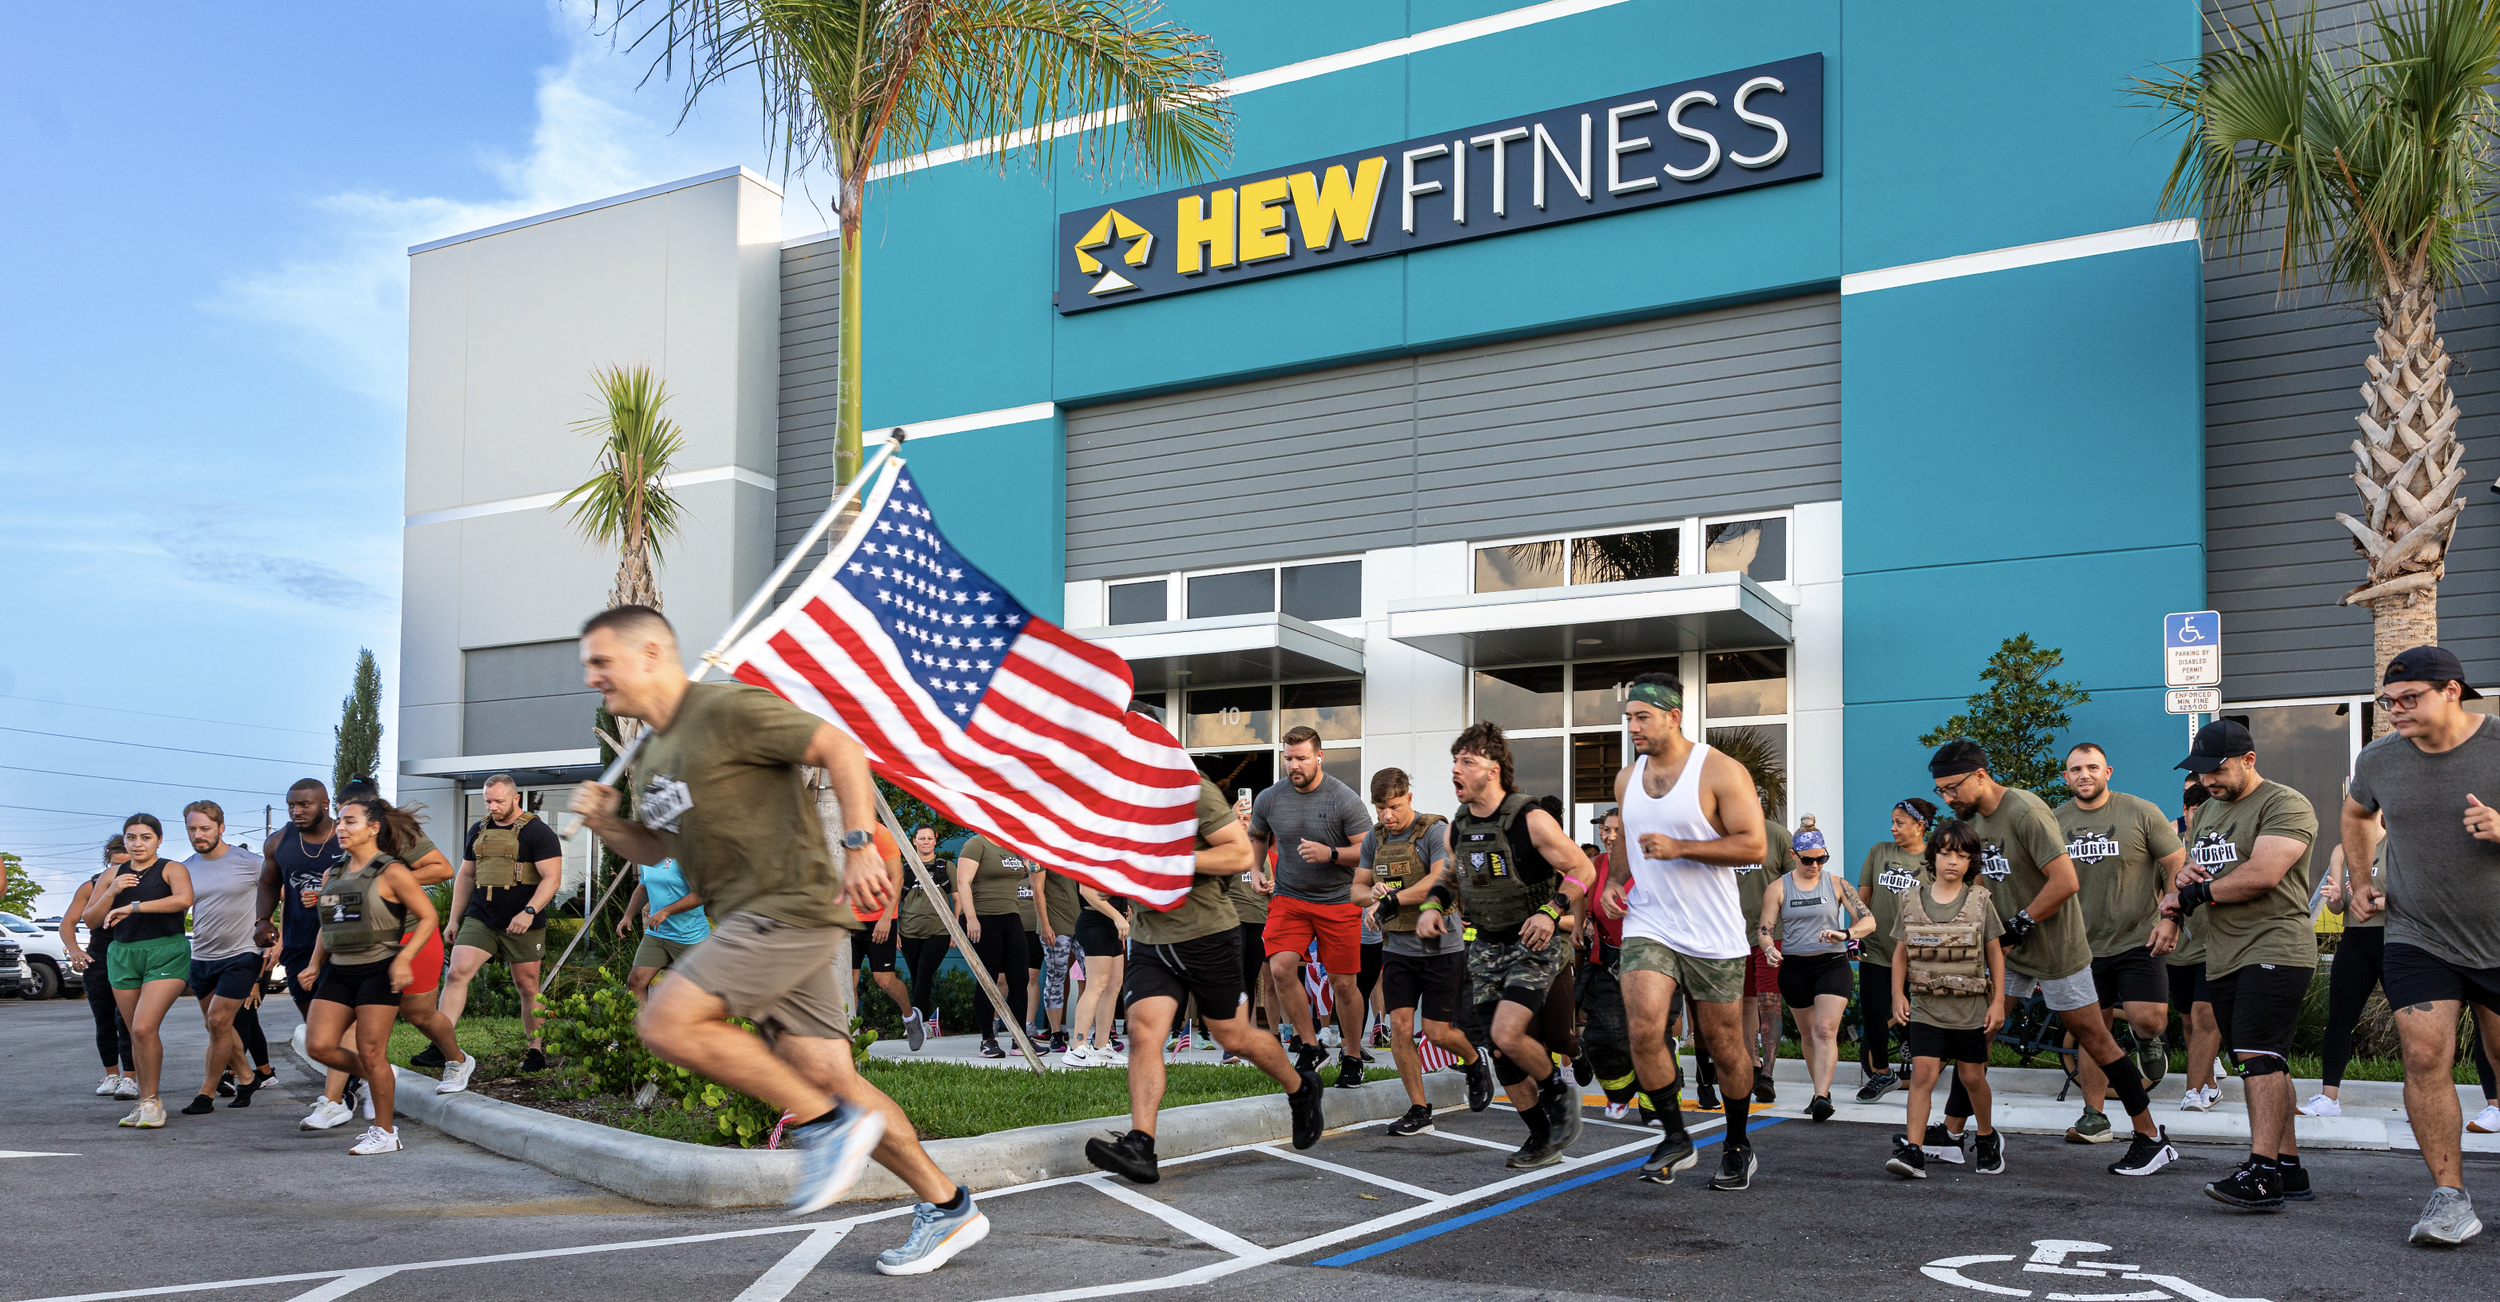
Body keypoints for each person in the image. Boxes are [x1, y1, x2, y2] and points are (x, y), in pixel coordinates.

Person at [574, 606, 983, 1270]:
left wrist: (857, 845)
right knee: (832, 1077)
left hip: (787, 909)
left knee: (667, 1023)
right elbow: (661, 845)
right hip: (747, 922)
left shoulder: (728, 710)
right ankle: (947, 1206)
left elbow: (839, 747)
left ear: (650, 653)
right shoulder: (648, 756)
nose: (592, 676)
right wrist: (608, 824)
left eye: (601, 661)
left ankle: (823, 1130)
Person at [1928, 739, 2174, 1177]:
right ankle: (1950, 1134)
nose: (1948, 798)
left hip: (2058, 950)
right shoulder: (1978, 821)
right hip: (2009, 952)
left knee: (2095, 1040)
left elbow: (2064, 882)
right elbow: (1985, 881)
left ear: (1980, 775)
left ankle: (2151, 1137)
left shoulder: (2025, 811)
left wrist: (2014, 927)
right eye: (1941, 791)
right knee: (1976, 1036)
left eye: (1952, 788)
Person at [1085, 777, 1325, 1183]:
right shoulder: (1113, 798)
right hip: (1151, 939)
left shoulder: (1190, 790)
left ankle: (1301, 1088)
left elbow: (1237, 853)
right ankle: (1141, 1145)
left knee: (1234, 1037)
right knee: (1144, 1031)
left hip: (1208, 936)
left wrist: (1174, 862)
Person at [2341, 646, 2500, 1245]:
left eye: (2410, 699)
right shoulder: (2380, 759)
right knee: (2425, 1058)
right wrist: (2361, 882)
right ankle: (2450, 1199)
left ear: (2453, 690)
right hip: (2418, 933)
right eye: (2389, 702)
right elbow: (2356, 816)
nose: (2396, 711)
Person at [1607, 674, 1765, 1189]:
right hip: (1649, 922)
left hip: (1712, 931)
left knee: (1722, 1045)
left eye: (1642, 717)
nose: (1632, 726)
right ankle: (1676, 1137)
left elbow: (1753, 846)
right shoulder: (1627, 779)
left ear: (1674, 716)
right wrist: (1613, 881)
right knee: (1645, 1028)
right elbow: (1625, 843)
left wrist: (1681, 847)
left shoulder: (1720, 770)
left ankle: (1738, 1143)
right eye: (1628, 717)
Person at [2154, 718, 2317, 1211]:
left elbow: (2264, 873)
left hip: (2274, 945)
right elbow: (2193, 873)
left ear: (2249, 760)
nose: (2208, 781)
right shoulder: (2205, 814)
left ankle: (2262, 1173)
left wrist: (2195, 895)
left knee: (2257, 1056)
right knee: (2269, 1062)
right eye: (2201, 773)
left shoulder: (2284, 804)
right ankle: (2289, 1168)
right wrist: (2184, 880)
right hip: (2222, 953)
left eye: (2217, 770)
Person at [1447, 721, 1597, 1170]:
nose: (1456, 770)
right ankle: (1541, 1137)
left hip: (1535, 942)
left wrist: (1552, 910)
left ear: (1492, 770)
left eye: (1466, 762)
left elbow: (1582, 870)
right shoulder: (1461, 825)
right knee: (1501, 1051)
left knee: (1507, 1033)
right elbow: (1452, 877)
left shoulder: (1530, 818)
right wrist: (1436, 904)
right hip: (1487, 946)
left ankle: (1557, 1092)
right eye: (1454, 761)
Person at [2307, 833, 2500, 1125]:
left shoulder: (2402, 845)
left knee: (2419, 1028)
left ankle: (2443, 1101)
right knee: (2339, 1019)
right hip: (2355, 942)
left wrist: (2377, 903)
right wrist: (2335, 898)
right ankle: (2328, 1098)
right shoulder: (2341, 850)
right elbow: (2339, 906)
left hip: (2397, 941)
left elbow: (2417, 897)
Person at [296, 795, 445, 1155]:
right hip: (339, 970)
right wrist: (315, 963)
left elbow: (428, 918)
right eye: (340, 821)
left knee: (371, 1049)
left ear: (373, 828)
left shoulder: (392, 872)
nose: (341, 828)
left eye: (350, 821)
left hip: (379, 970)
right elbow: (327, 925)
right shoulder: (333, 872)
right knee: (319, 1045)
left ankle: (385, 1131)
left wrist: (404, 958)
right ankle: (377, 1075)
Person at [2055, 744, 2187, 1145]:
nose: (2084, 775)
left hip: (2138, 938)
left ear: (2108, 771)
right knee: (2094, 1031)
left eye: (2092, 767)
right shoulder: (2055, 820)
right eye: (2076, 769)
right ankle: (2094, 1116)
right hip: (2080, 947)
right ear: (2066, 777)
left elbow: (2177, 862)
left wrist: (2171, 916)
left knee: (2149, 1018)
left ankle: (2149, 1040)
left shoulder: (2140, 812)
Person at [1363, 767, 1493, 1135]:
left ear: (1408, 798)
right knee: (1400, 1027)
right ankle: (1419, 1110)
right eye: (1379, 808)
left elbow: (1440, 878)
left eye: (1393, 806)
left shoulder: (1434, 831)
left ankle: (1472, 1058)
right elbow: (1357, 888)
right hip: (1399, 947)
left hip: (1441, 945)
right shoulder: (1374, 839)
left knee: (1436, 1031)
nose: (1387, 816)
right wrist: (1371, 894)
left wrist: (1390, 901)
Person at [1248, 729, 1374, 1086]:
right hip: (1290, 896)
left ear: (1319, 757)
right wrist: (1256, 870)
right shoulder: (1271, 797)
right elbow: (1258, 835)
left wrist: (1330, 854)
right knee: (1281, 968)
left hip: (1338, 900)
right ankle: (1310, 1044)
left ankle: (1351, 1055)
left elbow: (1368, 852)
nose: (1294, 765)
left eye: (1301, 758)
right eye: (1288, 758)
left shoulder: (1343, 799)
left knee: (1342, 983)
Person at [1885, 821, 2008, 1179]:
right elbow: (1900, 954)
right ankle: (1914, 1150)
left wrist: (1998, 1001)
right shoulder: (1910, 899)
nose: (1953, 861)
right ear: (1933, 855)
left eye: (1963, 855)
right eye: (1946, 853)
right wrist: (1897, 994)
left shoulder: (1980, 901)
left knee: (1972, 1077)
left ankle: (1986, 1137)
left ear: (1972, 862)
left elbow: (1995, 954)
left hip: (1969, 1008)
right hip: (1925, 1005)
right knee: (1923, 1073)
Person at [337, 778, 472, 1096]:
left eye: (350, 815)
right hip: (369, 941)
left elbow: (443, 869)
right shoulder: (344, 839)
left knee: (419, 1014)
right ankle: (353, 1086)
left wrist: (390, 881)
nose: (342, 821)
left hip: (413, 935)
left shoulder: (398, 833)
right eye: (340, 814)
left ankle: (457, 1059)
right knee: (359, 1012)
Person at [440, 774, 565, 1072]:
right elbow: (467, 875)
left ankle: (535, 1050)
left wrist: (529, 911)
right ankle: (440, 1043)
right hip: (481, 916)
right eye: (488, 801)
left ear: (515, 798)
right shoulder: (479, 830)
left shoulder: (538, 832)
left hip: (523, 920)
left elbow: (553, 878)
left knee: (526, 985)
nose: (492, 807)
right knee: (456, 972)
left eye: (498, 801)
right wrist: (453, 919)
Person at [1759, 823, 1875, 1121]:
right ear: (1793, 855)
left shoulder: (1837, 883)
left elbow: (1868, 921)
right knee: (1808, 1034)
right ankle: (1818, 1091)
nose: (1815, 865)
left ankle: (1823, 1097)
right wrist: (1770, 949)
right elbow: (1764, 931)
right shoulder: (1778, 887)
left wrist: (1846, 933)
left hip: (1832, 965)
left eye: (1821, 859)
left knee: (1825, 1029)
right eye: (1808, 859)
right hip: (1795, 966)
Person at [85, 814, 193, 1129]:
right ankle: (146, 1102)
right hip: (122, 954)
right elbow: (91, 920)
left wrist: (133, 906)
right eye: (131, 837)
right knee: (135, 1032)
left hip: (166, 952)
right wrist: (111, 891)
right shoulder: (113, 875)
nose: (138, 843)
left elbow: (184, 900)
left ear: (158, 840)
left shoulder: (173, 869)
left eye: (145, 837)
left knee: (144, 1028)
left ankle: (153, 1102)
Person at [176, 801, 270, 1115]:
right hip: (202, 956)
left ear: (221, 827)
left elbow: (279, 893)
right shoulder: (185, 867)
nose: (198, 835)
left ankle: (206, 1094)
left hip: (242, 953)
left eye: (205, 828)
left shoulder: (250, 862)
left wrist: (273, 935)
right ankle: (246, 1076)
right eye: (192, 829)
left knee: (218, 1021)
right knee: (218, 1027)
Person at [1855, 798, 1932, 1102]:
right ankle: (1882, 1074)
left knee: (1923, 1015)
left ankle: (1926, 1071)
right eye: (1893, 822)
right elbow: (1862, 896)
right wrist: (1854, 934)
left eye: (1900, 823)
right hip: (1876, 949)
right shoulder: (1879, 851)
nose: (1893, 828)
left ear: (1919, 825)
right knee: (1873, 1013)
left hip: (1917, 954)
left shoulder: (1933, 860)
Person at [1578, 806, 1647, 1120]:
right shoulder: (1597, 864)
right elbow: (1581, 892)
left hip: (1648, 960)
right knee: (1600, 1035)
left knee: (1647, 1035)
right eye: (1604, 830)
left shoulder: (1649, 864)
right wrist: (1579, 925)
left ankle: (1654, 1102)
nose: (1607, 836)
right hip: (1607, 958)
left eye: (1615, 830)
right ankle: (1620, 1091)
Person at [2166, 774, 2227, 1113]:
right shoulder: (2173, 847)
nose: (2203, 818)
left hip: (2215, 946)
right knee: (2189, 1022)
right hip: (2179, 949)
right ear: (2186, 812)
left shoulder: (2221, 846)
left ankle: (2192, 1092)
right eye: (2196, 811)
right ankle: (2210, 1085)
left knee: (2206, 1018)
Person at [63, 836, 137, 1100]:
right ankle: (111, 1074)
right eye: (115, 866)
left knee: (126, 1019)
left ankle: (130, 1077)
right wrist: (74, 950)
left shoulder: (143, 883)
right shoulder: (92, 886)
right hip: (99, 958)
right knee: (104, 1018)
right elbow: (68, 922)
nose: (119, 871)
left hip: (131, 955)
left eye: (125, 865)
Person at [1734, 816, 1801, 1105]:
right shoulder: (1722, 835)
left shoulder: (1776, 836)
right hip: (1732, 935)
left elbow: (1796, 881)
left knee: (1769, 1002)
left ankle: (1768, 1075)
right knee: (1743, 1002)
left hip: (1772, 935)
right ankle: (1751, 1065)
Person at [955, 831, 1038, 1059]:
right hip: (983, 918)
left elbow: (1034, 868)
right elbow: (963, 881)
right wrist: (971, 918)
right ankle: (987, 1040)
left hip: (1011, 917)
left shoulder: (1012, 846)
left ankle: (1019, 1039)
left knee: (1019, 979)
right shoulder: (976, 844)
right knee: (988, 980)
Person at [847, 824, 911, 1032]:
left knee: (884, 980)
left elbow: (897, 878)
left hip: (879, 917)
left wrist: (887, 918)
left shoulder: (881, 834)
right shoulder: (835, 830)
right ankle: (851, 1037)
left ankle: (910, 1017)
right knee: (849, 982)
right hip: (848, 920)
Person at [620, 857, 709, 1003]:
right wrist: (628, 916)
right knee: (635, 982)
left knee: (697, 993)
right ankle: (637, 1026)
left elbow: (699, 895)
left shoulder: (683, 857)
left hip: (690, 936)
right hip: (656, 933)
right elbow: (643, 888)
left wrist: (667, 911)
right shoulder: (646, 857)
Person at [1224, 793, 1271, 1065]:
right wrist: (1230, 818)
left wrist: (1270, 888)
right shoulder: (1228, 848)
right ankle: (1230, 1044)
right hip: (1232, 922)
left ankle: (1241, 1039)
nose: (1244, 823)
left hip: (1258, 921)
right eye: (1240, 818)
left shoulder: (1261, 855)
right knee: (1234, 980)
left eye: (1247, 819)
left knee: (1250, 981)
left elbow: (1270, 886)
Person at [895, 826, 951, 1050]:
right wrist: (894, 931)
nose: (926, 842)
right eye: (921, 838)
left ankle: (914, 1025)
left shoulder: (946, 867)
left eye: (930, 838)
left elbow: (957, 896)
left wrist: (956, 929)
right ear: (914, 841)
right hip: (908, 930)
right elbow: (895, 899)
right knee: (917, 976)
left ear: (935, 841)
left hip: (939, 930)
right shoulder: (904, 868)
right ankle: (925, 1022)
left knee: (924, 973)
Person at [1065, 883, 1128, 1066]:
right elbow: (1086, 891)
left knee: (1113, 986)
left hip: (1112, 923)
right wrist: (1118, 916)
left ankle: (1101, 1046)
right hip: (1095, 922)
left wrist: (1124, 910)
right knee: (1096, 985)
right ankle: (1077, 1047)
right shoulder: (1091, 854)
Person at [1037, 860, 1085, 1055]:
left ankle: (1089, 1034)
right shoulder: (1042, 853)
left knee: (1094, 979)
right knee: (1056, 977)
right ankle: (1056, 1033)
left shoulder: (1080, 849)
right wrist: (1045, 925)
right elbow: (1037, 889)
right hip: (1056, 926)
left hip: (1084, 924)